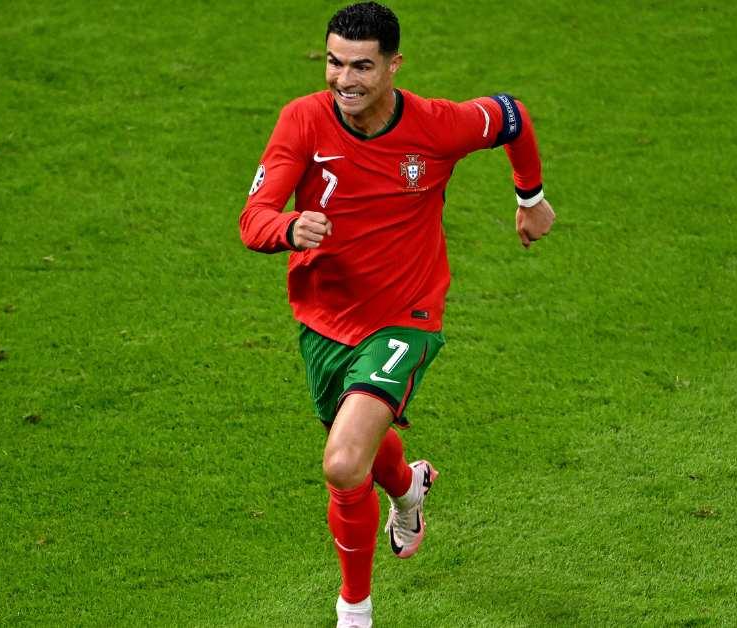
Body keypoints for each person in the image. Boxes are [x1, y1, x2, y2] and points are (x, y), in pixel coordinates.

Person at [238, 2, 553, 625]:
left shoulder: (436, 125)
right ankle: (408, 487)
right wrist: (289, 226)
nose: (344, 80)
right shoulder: (302, 121)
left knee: (341, 461)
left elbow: (510, 115)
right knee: (356, 446)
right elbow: (253, 219)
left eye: (361, 66)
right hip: (324, 319)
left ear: (393, 65)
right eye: (333, 63)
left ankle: (354, 610)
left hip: (405, 317)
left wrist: (531, 197)